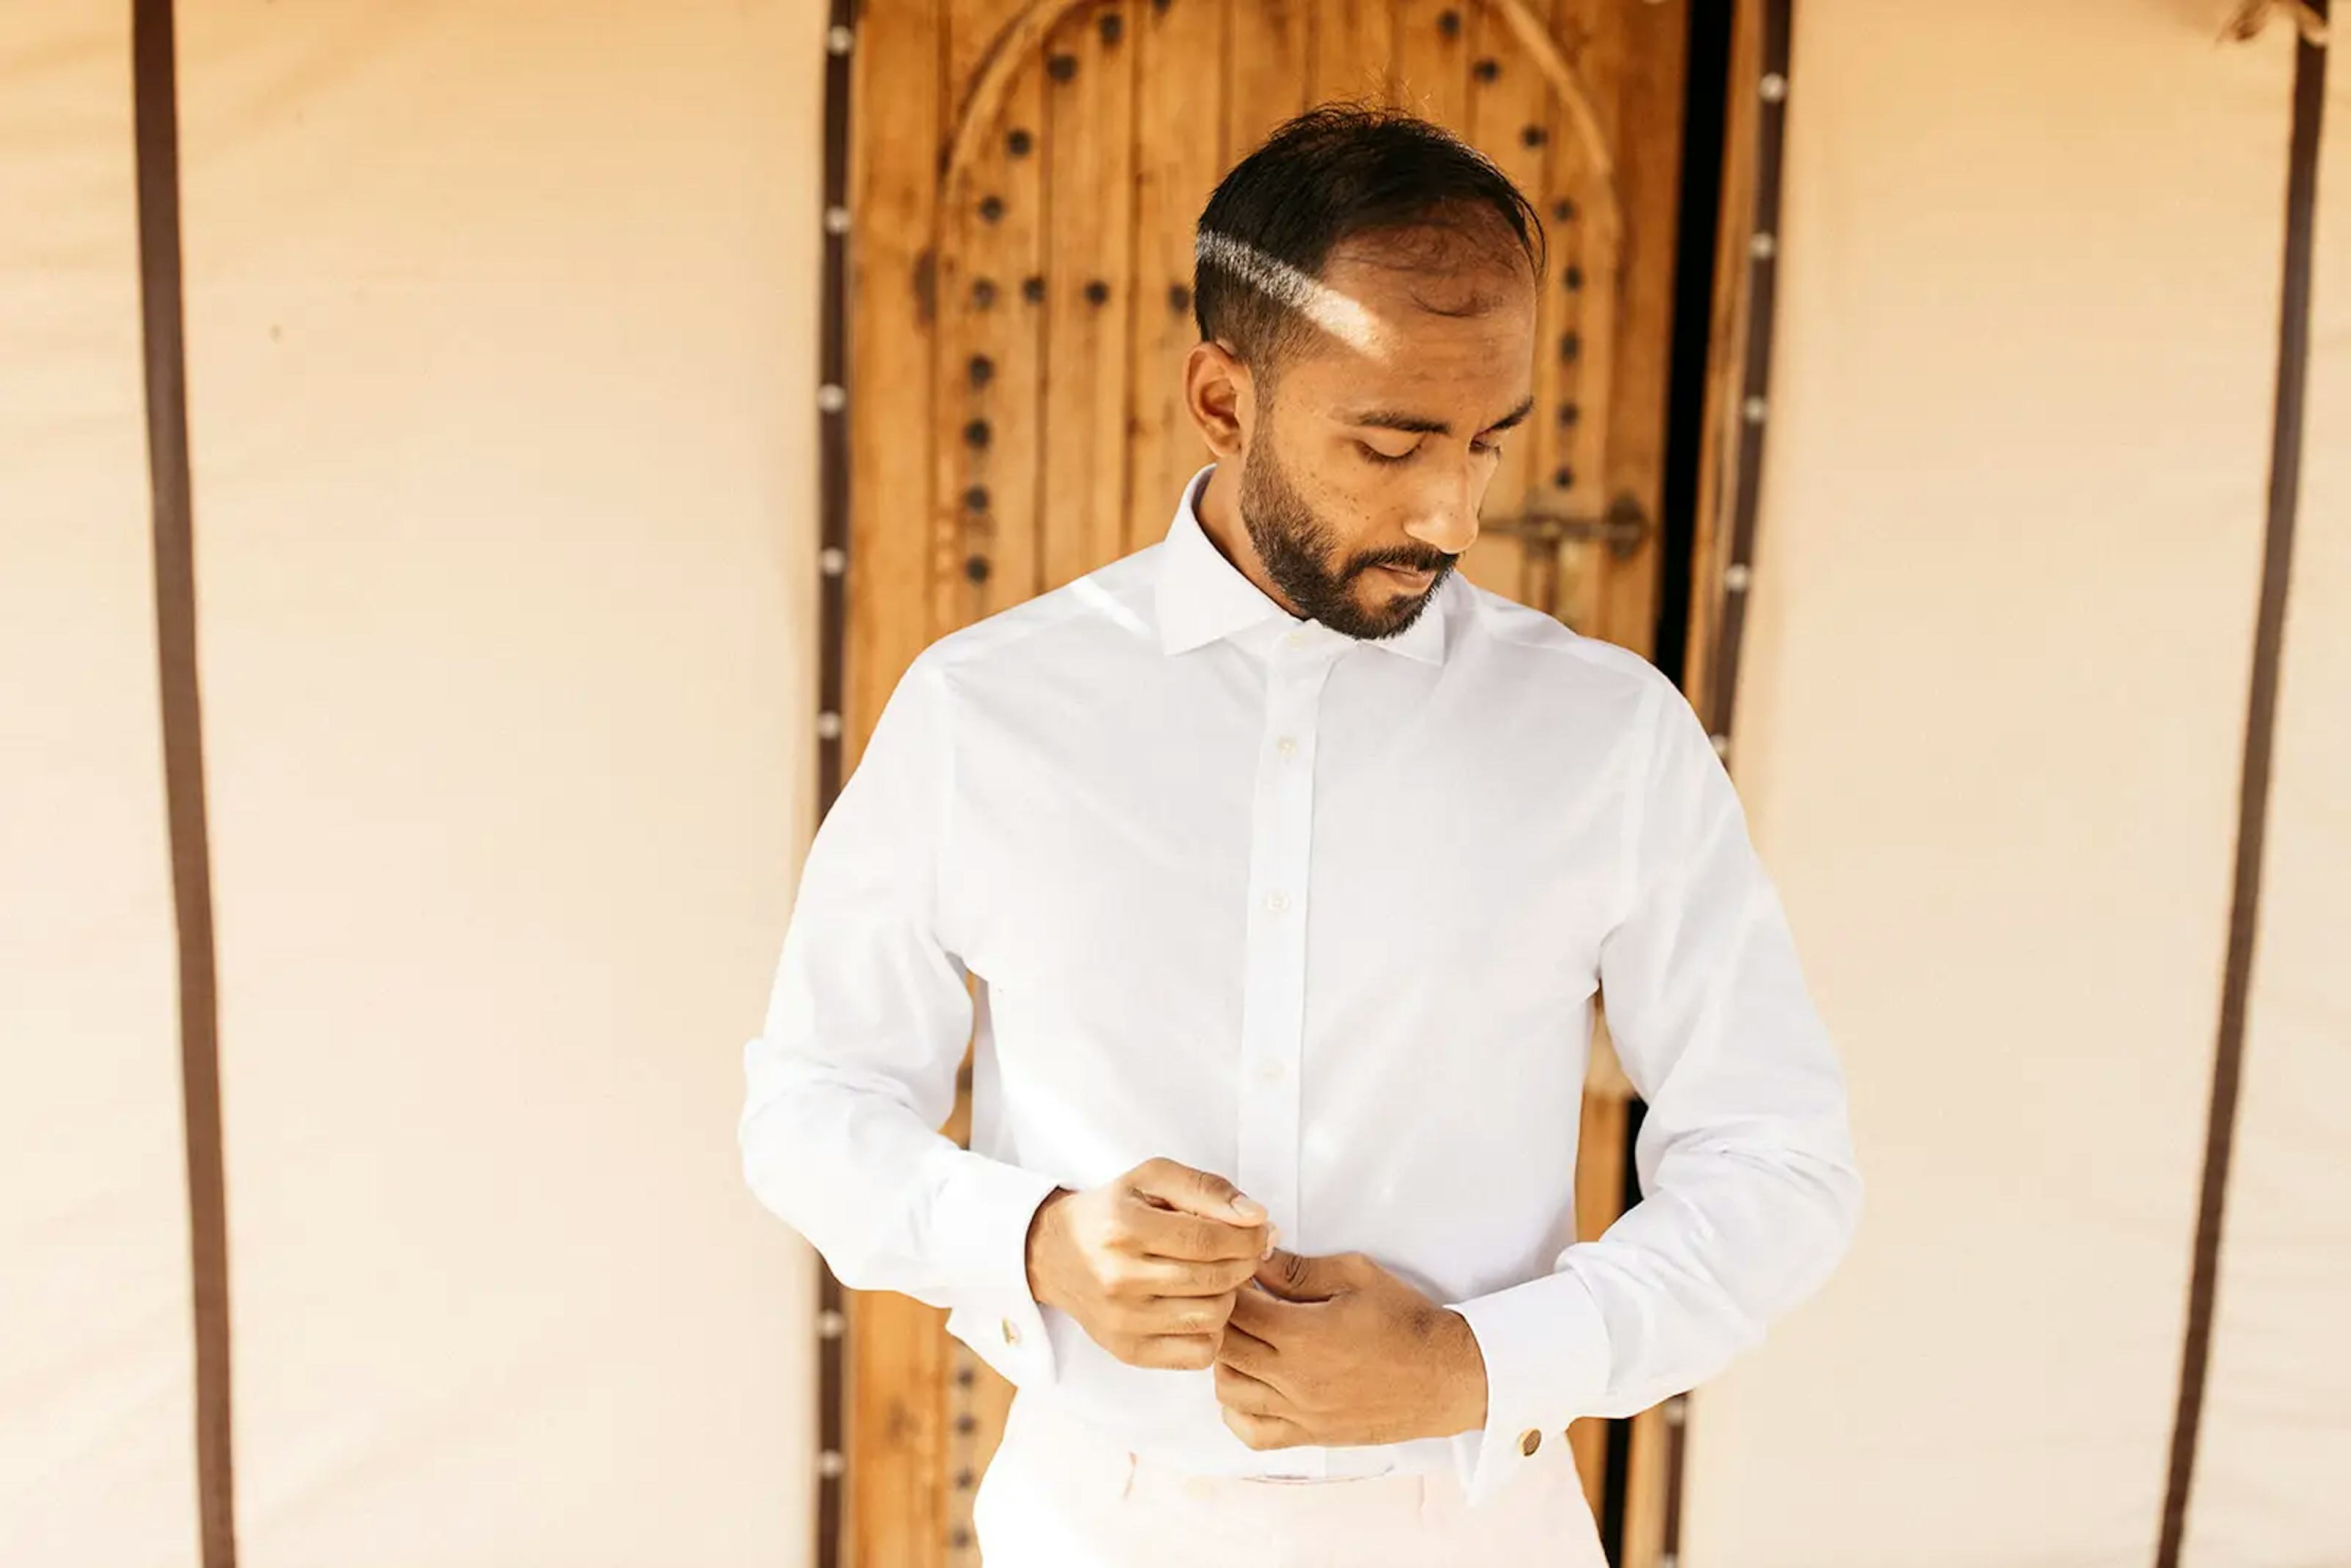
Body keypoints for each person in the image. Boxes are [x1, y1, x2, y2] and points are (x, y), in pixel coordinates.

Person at [739, 105, 1861, 1566]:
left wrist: (1477, 1363)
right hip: (1091, 1531)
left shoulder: (1612, 738)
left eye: (1486, 443)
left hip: (1472, 1533)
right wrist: (1029, 1244)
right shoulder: (984, 712)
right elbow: (810, 1107)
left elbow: (1780, 1162)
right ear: (1224, 399)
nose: (1452, 512)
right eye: (1392, 443)